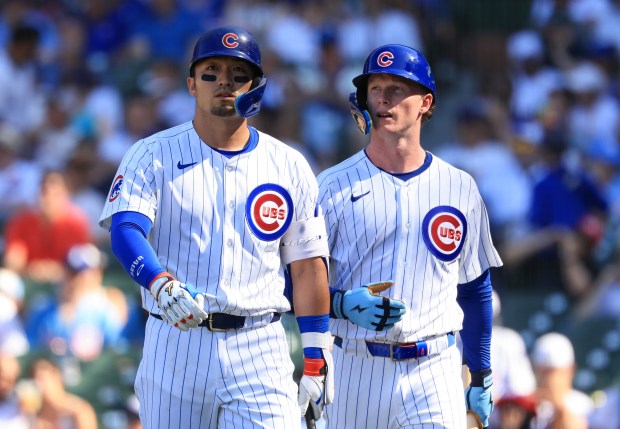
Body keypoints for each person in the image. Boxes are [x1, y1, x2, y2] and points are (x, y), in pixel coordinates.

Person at [98, 26, 332, 428]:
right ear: (191, 84)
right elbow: (125, 229)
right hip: (176, 338)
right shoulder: (152, 153)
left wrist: (315, 354)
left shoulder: (289, 164)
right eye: (211, 72)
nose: (224, 80)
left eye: (238, 73)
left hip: (260, 343)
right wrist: (157, 281)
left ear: (256, 87)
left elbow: (308, 266)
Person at [318, 44, 502, 428]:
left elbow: (475, 288)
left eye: (396, 89)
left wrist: (481, 373)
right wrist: (339, 304)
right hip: (355, 364)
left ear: (425, 102)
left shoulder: (459, 187)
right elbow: (290, 281)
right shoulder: (331, 186)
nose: (382, 99)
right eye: (374, 89)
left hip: (434, 367)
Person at [530, 332, 593, 429]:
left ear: (571, 370)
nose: (550, 380)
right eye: (544, 372)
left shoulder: (583, 406)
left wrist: (560, 409)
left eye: (557, 372)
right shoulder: (528, 406)